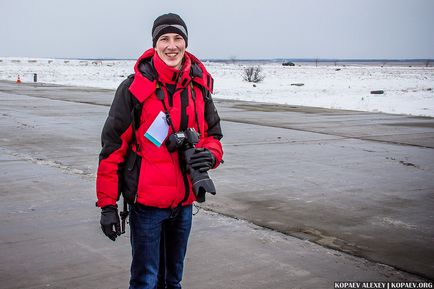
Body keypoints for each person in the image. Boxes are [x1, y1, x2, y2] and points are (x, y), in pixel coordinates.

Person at [95, 13, 223, 289]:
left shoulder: (199, 87)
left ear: (186, 43)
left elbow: (213, 135)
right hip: (146, 207)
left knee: (173, 281)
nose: (171, 45)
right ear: (154, 45)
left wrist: (211, 155)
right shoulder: (134, 88)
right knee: (145, 281)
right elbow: (112, 151)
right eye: (164, 39)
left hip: (184, 203)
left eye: (178, 38)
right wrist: (108, 205)